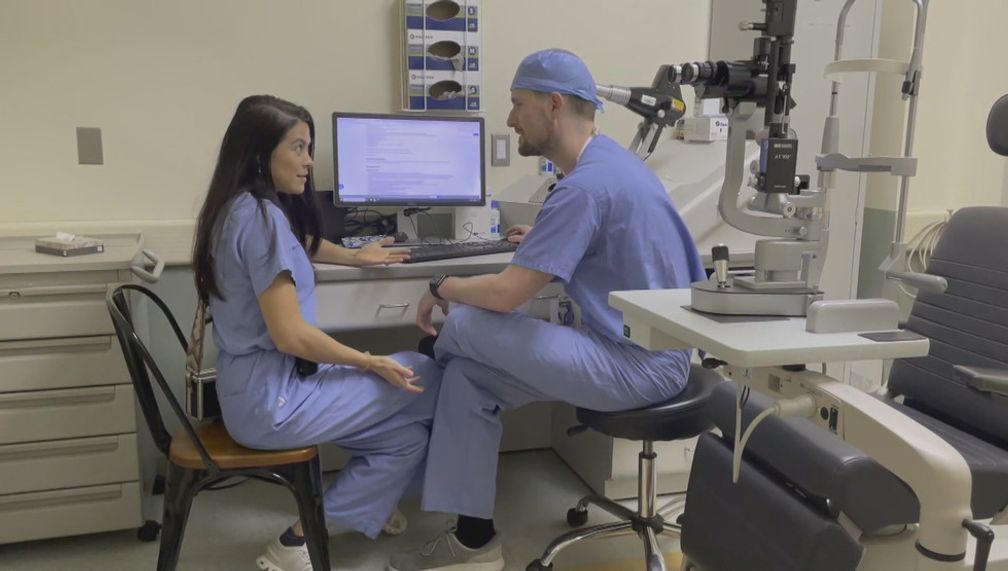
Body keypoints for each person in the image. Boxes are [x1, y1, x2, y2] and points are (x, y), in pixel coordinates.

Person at [388, 49, 706, 571]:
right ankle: (473, 545)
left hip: (639, 365)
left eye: (517, 105)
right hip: (630, 348)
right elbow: (602, 235)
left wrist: (442, 284)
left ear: (553, 105)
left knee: (467, 320)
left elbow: (506, 295)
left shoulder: (583, 187)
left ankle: (435, 350)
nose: (511, 118)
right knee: (469, 378)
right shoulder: (611, 164)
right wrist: (545, 237)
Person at [192, 95, 442, 571]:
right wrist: (370, 361)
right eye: (299, 147)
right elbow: (290, 336)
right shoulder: (262, 220)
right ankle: (456, 515)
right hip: (275, 401)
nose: (309, 161)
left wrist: (354, 255)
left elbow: (301, 243)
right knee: (427, 373)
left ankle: (335, 517)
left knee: (406, 439)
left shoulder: (238, 210)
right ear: (260, 154)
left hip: (254, 391)